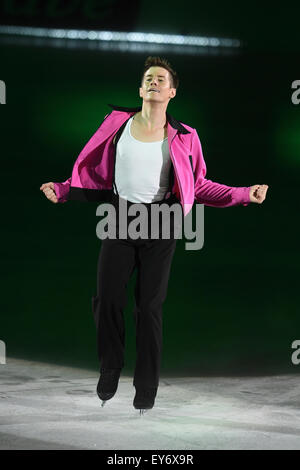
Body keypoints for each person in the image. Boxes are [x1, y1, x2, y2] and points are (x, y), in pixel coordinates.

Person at [40, 56, 269, 415]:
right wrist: (64, 189)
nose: (154, 83)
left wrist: (243, 193)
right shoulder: (116, 125)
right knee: (106, 299)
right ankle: (110, 367)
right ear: (140, 88)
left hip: (162, 221)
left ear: (172, 92)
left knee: (148, 308)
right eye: (149, 78)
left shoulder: (185, 137)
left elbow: (199, 185)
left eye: (161, 79)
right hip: (120, 217)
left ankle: (146, 386)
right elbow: (97, 173)